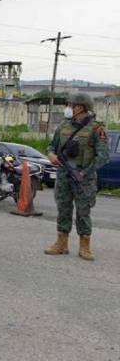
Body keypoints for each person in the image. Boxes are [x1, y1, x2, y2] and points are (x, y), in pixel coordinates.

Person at [44, 92, 109, 261]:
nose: (69, 108)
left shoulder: (96, 129)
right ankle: (61, 244)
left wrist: (84, 173)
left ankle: (85, 247)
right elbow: (52, 146)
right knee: (63, 208)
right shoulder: (63, 126)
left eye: (71, 105)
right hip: (64, 173)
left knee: (83, 211)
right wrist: (51, 155)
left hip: (83, 178)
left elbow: (103, 156)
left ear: (80, 107)